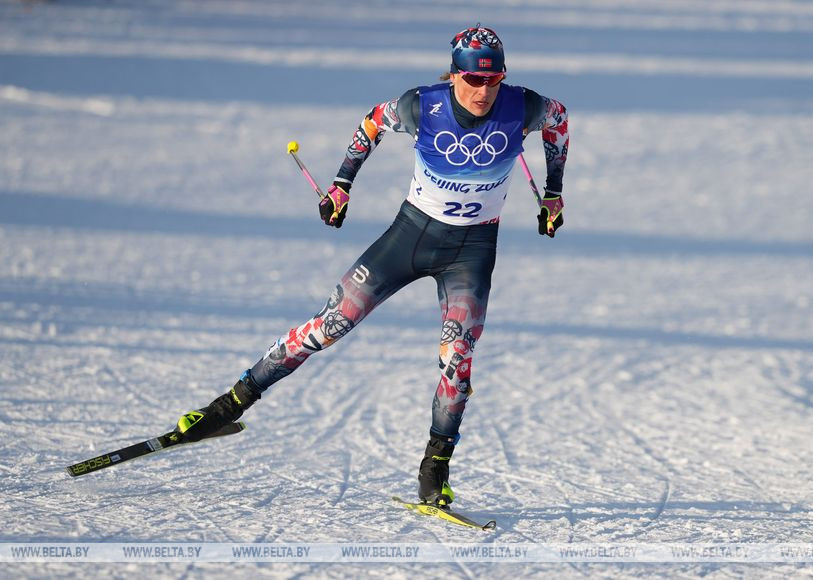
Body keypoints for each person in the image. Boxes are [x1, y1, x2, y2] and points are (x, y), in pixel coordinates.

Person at [177, 25, 569, 507]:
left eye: (493, 81)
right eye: (472, 79)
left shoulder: (523, 105)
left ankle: (434, 471)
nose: (482, 91)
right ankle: (228, 405)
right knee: (330, 325)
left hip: (472, 252)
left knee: (457, 360)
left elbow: (559, 119)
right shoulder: (422, 105)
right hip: (410, 238)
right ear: (454, 74)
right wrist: (342, 185)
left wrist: (554, 192)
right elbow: (371, 123)